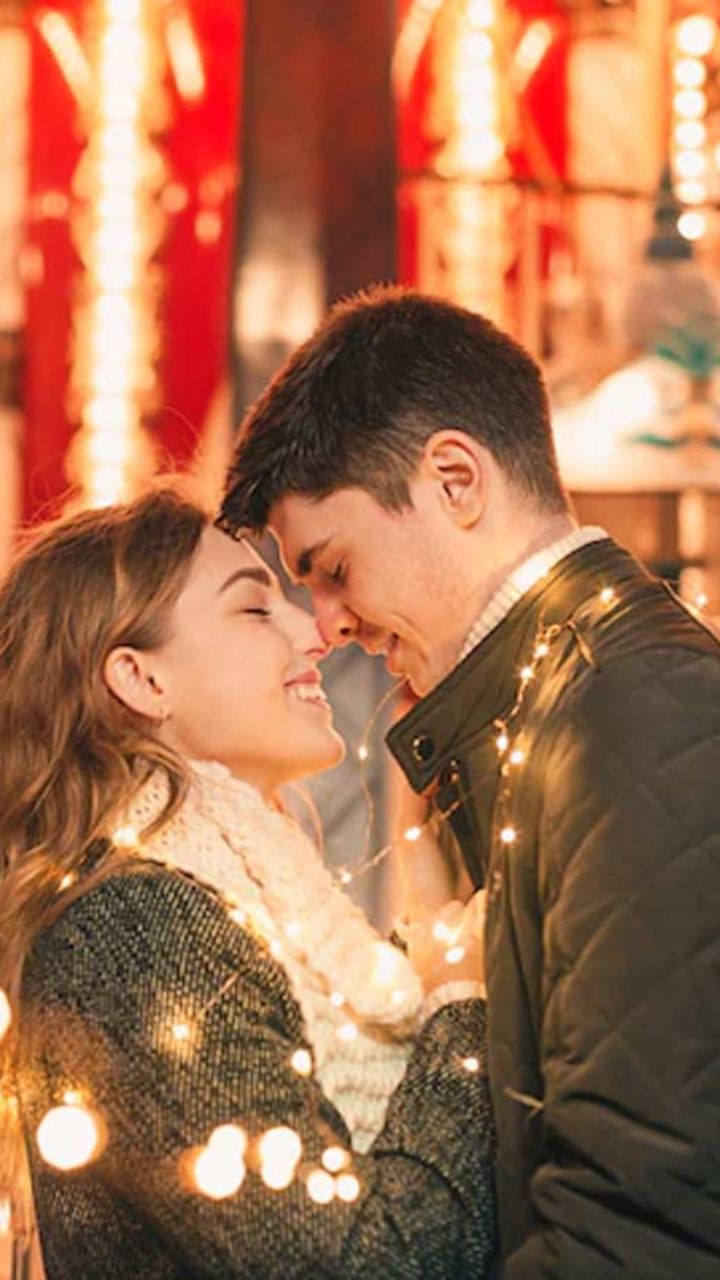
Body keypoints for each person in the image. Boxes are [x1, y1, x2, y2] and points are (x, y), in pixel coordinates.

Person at [219, 285, 720, 1278]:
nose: (330, 625)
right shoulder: (560, 704)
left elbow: (640, 1219)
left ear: (455, 480)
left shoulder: (634, 707)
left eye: (334, 567)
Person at [0, 488, 496, 1279]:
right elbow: (359, 1268)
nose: (314, 633)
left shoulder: (224, 894)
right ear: (141, 679)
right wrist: (460, 1011)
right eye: (255, 610)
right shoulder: (139, 929)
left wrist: (430, 908)